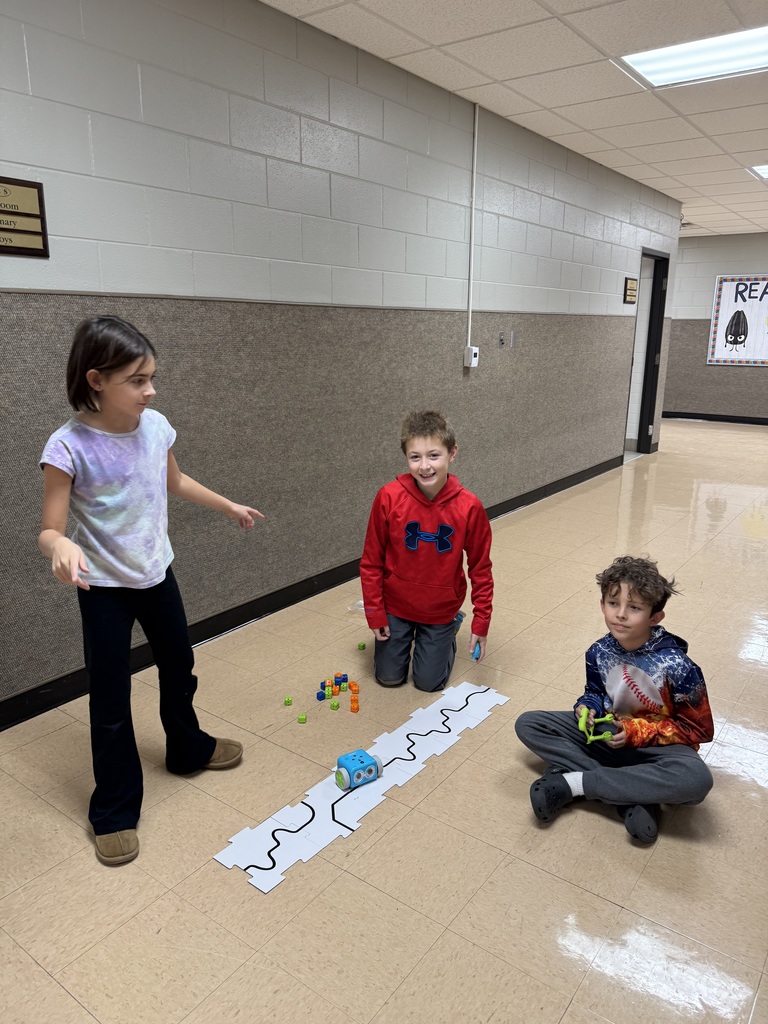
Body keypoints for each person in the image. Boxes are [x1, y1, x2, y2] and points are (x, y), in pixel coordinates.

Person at [38, 316, 264, 867]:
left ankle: (187, 749)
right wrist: (60, 547)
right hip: (105, 591)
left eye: (152, 377)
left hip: (158, 574)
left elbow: (173, 481)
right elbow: (48, 526)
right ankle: (114, 809)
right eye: (138, 380)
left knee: (179, 666)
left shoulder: (155, 425)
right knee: (111, 701)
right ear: (97, 380)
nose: (151, 389)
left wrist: (226, 504)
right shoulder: (68, 447)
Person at [515, 555, 714, 844]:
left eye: (634, 608)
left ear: (655, 617)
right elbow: (595, 691)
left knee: (697, 780)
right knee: (529, 724)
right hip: (608, 734)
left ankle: (574, 783)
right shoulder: (598, 651)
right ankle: (634, 795)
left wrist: (637, 732)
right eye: (613, 603)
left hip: (657, 749)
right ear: (602, 605)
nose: (620, 614)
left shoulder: (677, 665)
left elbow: (699, 730)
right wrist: (588, 707)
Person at [358, 410, 493, 692]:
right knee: (388, 678)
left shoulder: (469, 506)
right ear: (405, 456)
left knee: (428, 684)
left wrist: (482, 620)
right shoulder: (388, 497)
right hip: (396, 604)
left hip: (440, 607)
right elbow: (371, 562)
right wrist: (375, 612)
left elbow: (480, 567)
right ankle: (409, 640)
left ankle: (449, 632)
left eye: (434, 455)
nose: (425, 466)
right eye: (415, 457)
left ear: (452, 453)